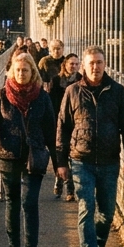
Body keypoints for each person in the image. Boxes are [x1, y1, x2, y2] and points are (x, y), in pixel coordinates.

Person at [55, 46, 124, 247]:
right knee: (86, 208)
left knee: (107, 212)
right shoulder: (72, 91)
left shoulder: (117, 91)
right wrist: (61, 162)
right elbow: (63, 127)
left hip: (110, 161)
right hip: (81, 159)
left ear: (105, 64)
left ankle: (99, 245)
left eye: (99, 62)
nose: (95, 67)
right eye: (91, 63)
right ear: (83, 67)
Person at [0, 53, 55, 247]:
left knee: (30, 202)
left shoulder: (42, 97)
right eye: (18, 70)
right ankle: (14, 246)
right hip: (8, 156)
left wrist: (60, 162)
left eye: (25, 70)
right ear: (11, 72)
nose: (22, 73)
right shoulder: (1, 96)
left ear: (33, 72)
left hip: (35, 156)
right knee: (13, 202)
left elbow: (51, 130)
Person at [45, 54, 80, 202]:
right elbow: (50, 105)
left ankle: (70, 189)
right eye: (71, 64)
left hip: (75, 124)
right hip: (58, 124)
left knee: (73, 157)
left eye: (77, 64)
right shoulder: (56, 81)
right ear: (65, 65)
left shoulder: (82, 81)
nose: (74, 66)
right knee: (59, 155)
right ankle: (60, 179)